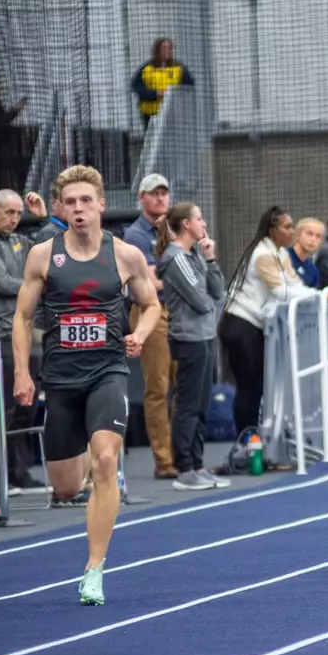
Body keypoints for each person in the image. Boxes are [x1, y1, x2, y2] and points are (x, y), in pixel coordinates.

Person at [12, 165, 162, 605]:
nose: (79, 209)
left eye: (86, 201)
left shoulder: (125, 255)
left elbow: (150, 304)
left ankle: (93, 569)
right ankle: (85, 482)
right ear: (59, 208)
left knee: (105, 460)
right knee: (64, 486)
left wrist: (140, 333)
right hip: (60, 377)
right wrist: (22, 373)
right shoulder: (43, 254)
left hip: (107, 371)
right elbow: (21, 318)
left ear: (100, 205)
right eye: (70, 203)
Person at [158, 203, 229, 489]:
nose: (204, 224)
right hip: (188, 339)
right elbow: (201, 302)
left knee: (202, 404)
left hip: (205, 336)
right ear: (186, 224)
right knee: (187, 405)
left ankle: (198, 464)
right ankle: (184, 467)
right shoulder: (175, 258)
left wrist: (210, 259)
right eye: (199, 218)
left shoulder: (196, 254)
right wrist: (208, 296)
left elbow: (217, 290)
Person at [219, 206, 305, 439]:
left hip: (253, 327)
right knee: (249, 386)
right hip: (239, 325)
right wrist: (322, 296)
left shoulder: (281, 253)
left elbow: (295, 285)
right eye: (287, 227)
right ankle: (246, 441)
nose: (292, 231)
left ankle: (256, 439)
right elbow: (283, 292)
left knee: (258, 386)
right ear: (271, 230)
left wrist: (316, 294)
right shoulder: (262, 254)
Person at [0, 189, 39, 491]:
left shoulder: (20, 240)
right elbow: (0, 282)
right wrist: (34, 287)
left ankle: (20, 471)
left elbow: (47, 251)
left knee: (25, 407)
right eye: (9, 212)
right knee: (2, 408)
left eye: (19, 213)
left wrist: (45, 218)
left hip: (26, 330)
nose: (15, 218)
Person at [123, 173, 176, 479]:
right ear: (141, 198)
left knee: (184, 386)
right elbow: (150, 282)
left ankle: (183, 455)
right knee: (158, 387)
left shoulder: (175, 228)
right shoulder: (136, 235)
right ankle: (164, 460)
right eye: (152, 193)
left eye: (163, 193)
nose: (159, 198)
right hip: (149, 312)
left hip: (178, 310)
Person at [290, 218, 323, 288]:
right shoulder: (282, 256)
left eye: (318, 236)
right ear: (298, 235)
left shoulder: (313, 270)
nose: (313, 239)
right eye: (309, 234)